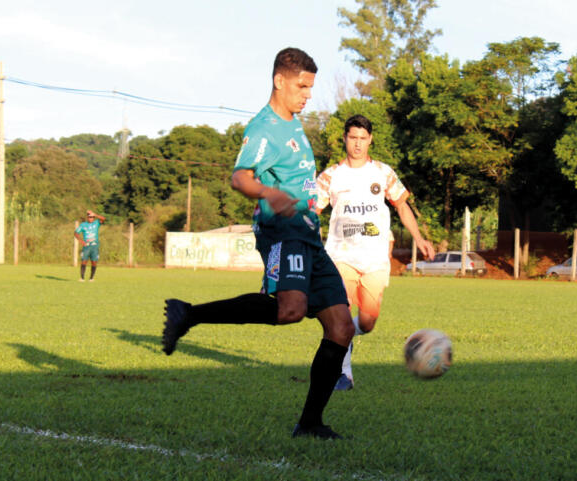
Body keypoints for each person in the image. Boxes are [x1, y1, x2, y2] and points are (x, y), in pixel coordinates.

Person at [160, 48, 354, 440]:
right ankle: (188, 314)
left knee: (341, 327)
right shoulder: (264, 128)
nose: (307, 95)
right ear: (280, 81)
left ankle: (310, 424)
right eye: (301, 86)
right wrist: (269, 193)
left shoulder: (293, 123)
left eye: (310, 88)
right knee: (290, 310)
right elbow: (240, 178)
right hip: (282, 231)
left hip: (309, 235)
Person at [316, 114, 435, 390]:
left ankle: (346, 336)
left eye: (363, 138)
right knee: (341, 316)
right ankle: (343, 374)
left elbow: (402, 206)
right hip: (340, 256)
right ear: (344, 139)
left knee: (368, 322)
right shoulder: (330, 176)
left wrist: (418, 238)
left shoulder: (383, 172)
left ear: (370, 140)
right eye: (353, 138)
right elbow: (312, 210)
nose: (357, 144)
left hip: (375, 258)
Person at [74, 210, 105, 282]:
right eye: (90, 217)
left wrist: (95, 214)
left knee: (94, 262)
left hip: (95, 245)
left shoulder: (96, 223)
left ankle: (91, 278)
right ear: (87, 217)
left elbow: (103, 218)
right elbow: (76, 233)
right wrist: (81, 241)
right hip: (87, 246)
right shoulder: (83, 225)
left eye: (92, 217)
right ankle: (82, 278)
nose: (91, 218)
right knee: (84, 261)